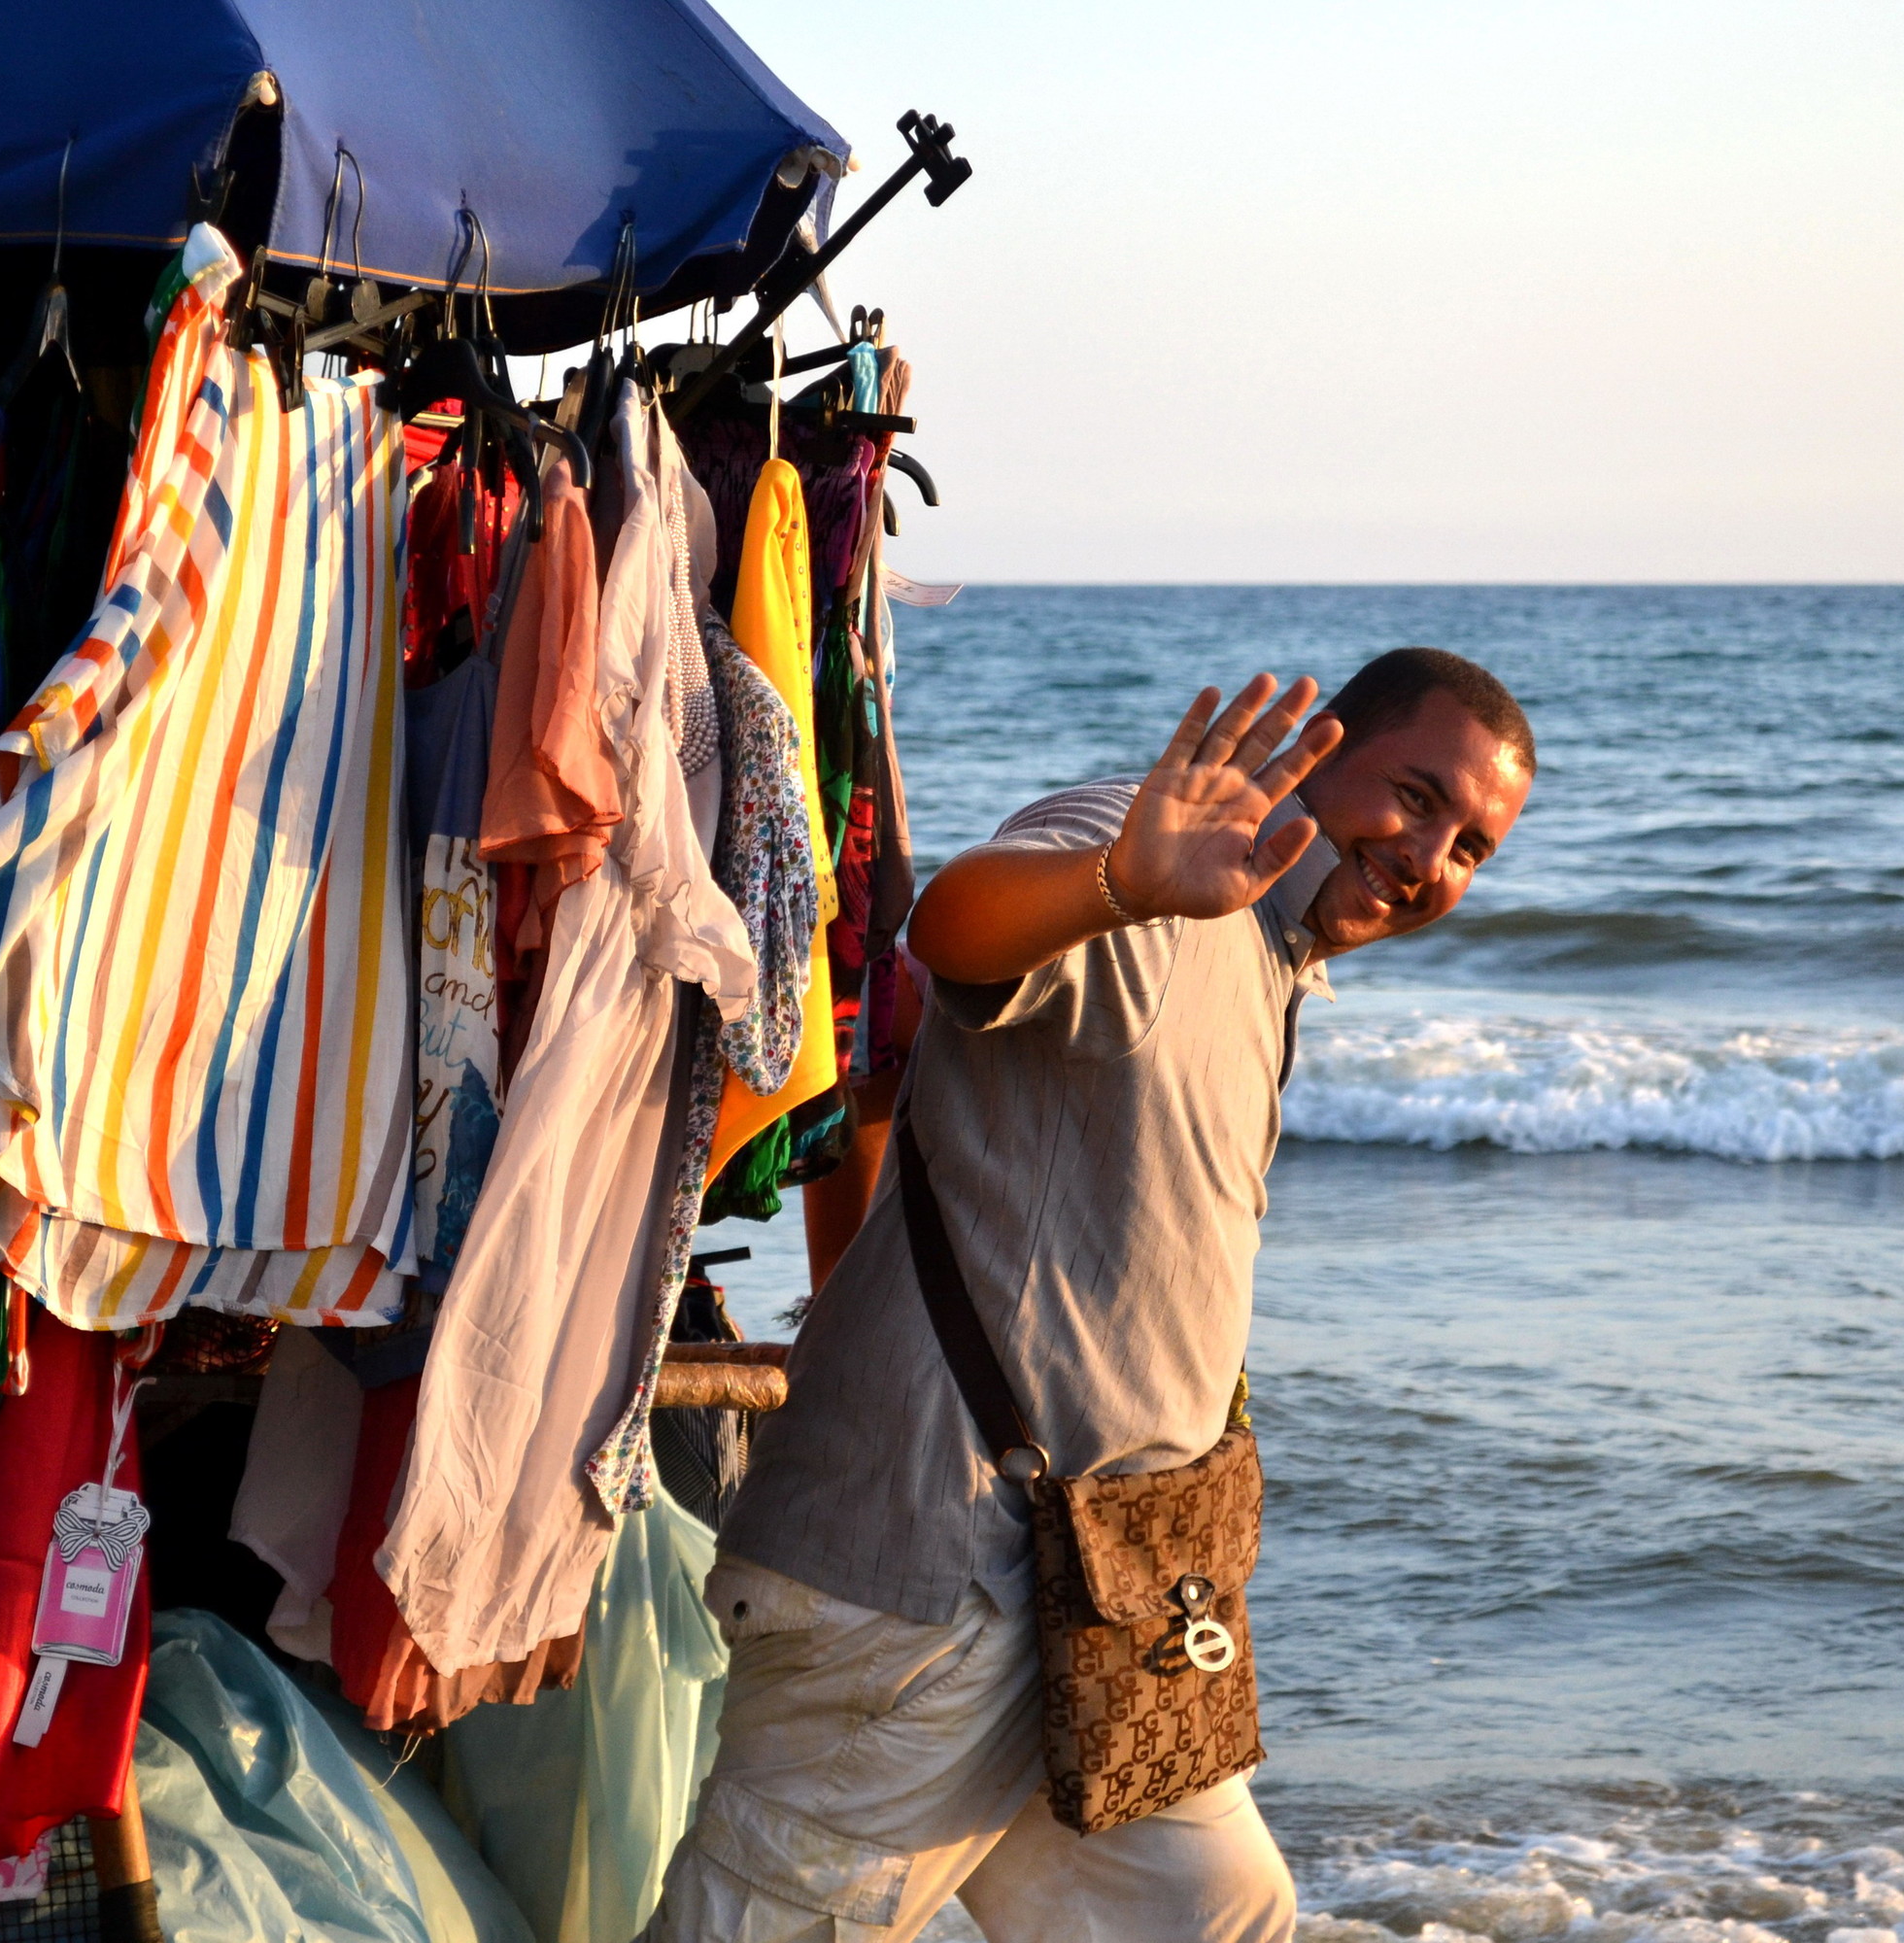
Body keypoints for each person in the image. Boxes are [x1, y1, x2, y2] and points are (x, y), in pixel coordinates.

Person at [651, 648, 1537, 1943]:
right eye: (1413, 796)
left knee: (1219, 1915)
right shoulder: (1148, 872)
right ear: (1326, 750)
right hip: (927, 1588)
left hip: (1106, 1605)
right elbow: (951, 929)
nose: (1428, 857)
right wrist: (1123, 879)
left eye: (1471, 847)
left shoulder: (1266, 947)